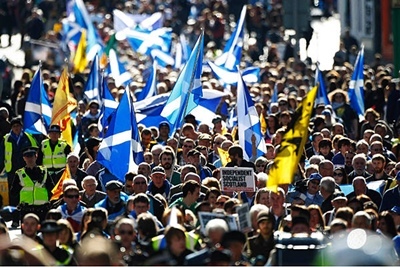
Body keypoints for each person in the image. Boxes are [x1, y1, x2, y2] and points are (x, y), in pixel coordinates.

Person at [0, 117, 38, 227]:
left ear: (21, 126)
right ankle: (15, 219)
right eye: (14, 126)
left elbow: (35, 151)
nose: (16, 128)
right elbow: (2, 155)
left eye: (18, 126)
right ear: (11, 128)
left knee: (27, 194)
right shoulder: (6, 139)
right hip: (12, 171)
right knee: (14, 195)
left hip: (26, 170)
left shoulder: (28, 137)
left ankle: (27, 219)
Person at [15, 146, 54, 224]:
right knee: (26, 234)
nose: (30, 159)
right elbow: (13, 192)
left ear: (36, 157)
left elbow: (52, 189)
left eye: (32, 156)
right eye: (27, 156)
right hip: (26, 209)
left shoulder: (44, 172)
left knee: (43, 234)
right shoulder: (19, 173)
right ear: (24, 158)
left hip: (42, 209)